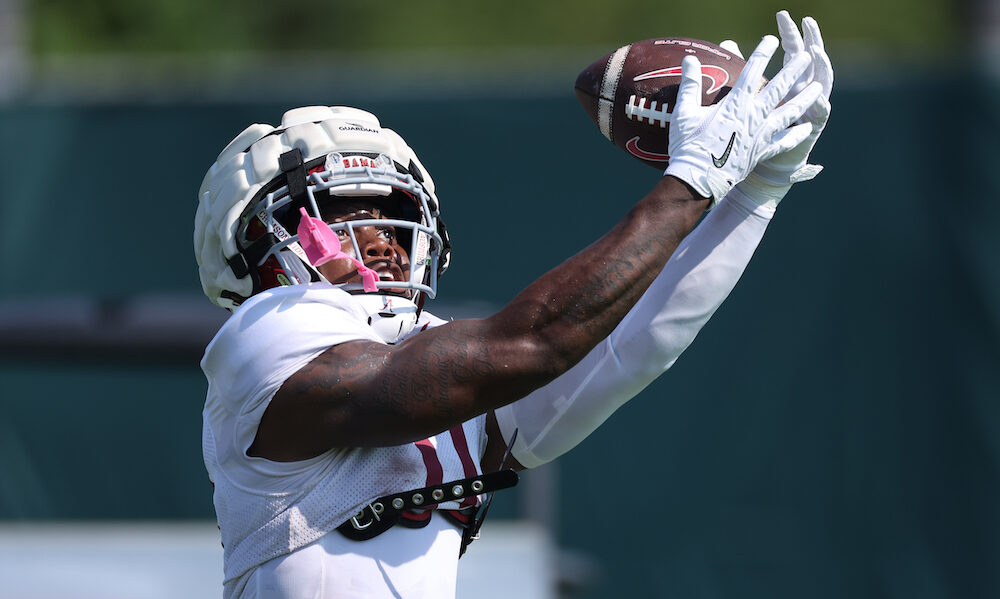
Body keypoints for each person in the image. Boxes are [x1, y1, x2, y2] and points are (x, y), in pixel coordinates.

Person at [194, 11, 832, 599]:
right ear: (253, 245)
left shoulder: (439, 357)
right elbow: (533, 344)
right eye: (348, 212)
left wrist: (755, 193)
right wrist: (689, 183)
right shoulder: (264, 334)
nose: (384, 237)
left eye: (396, 213)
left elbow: (631, 346)